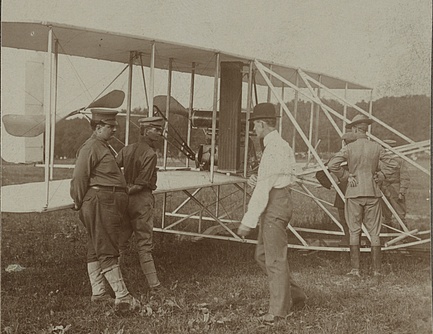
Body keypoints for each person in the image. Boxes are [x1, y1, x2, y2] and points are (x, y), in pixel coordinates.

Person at [237, 103, 306, 324]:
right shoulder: (281, 144)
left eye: (255, 126)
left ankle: (278, 312)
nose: (253, 131)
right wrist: (268, 179)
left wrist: (247, 222)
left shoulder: (273, 148)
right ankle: (295, 294)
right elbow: (291, 174)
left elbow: (262, 190)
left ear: (262, 124)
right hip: (280, 199)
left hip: (274, 203)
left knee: (274, 259)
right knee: (262, 255)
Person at [70, 109, 140, 311]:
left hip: (107, 201)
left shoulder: (103, 146)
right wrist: (78, 200)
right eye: (111, 127)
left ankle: (99, 293)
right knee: (107, 247)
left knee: (96, 246)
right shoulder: (91, 146)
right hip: (101, 200)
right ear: (98, 128)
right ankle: (123, 297)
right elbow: (79, 177)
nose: (115, 130)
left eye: (115, 126)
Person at [328, 114, 398, 278]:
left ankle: (355, 270)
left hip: (354, 193)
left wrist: (346, 176)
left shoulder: (349, 148)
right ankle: (376, 271)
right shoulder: (376, 147)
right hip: (373, 192)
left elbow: (332, 164)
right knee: (375, 233)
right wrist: (381, 175)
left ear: (354, 129)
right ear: (366, 130)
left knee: (354, 231)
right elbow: (394, 164)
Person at [116, 116, 164, 293]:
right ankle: (155, 286)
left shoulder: (126, 149)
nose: (160, 133)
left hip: (125, 200)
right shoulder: (150, 154)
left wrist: (121, 189)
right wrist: (129, 189)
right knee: (144, 244)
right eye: (156, 129)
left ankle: (115, 284)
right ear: (145, 130)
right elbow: (142, 183)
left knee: (120, 242)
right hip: (141, 200)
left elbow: (112, 169)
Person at [316, 132, 359, 246]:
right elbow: (320, 173)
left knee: (348, 224)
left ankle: (351, 247)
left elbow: (320, 173)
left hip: (345, 195)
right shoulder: (362, 155)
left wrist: (332, 184)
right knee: (356, 224)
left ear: (344, 143)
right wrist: (332, 185)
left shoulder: (340, 156)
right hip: (355, 195)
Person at [379, 139, 410, 230]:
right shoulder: (379, 161)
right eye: (384, 148)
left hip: (395, 188)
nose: (386, 150)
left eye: (388, 148)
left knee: (400, 213)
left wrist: (402, 191)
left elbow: (404, 177)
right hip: (383, 189)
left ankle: (405, 233)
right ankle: (390, 233)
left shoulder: (399, 160)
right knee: (386, 213)